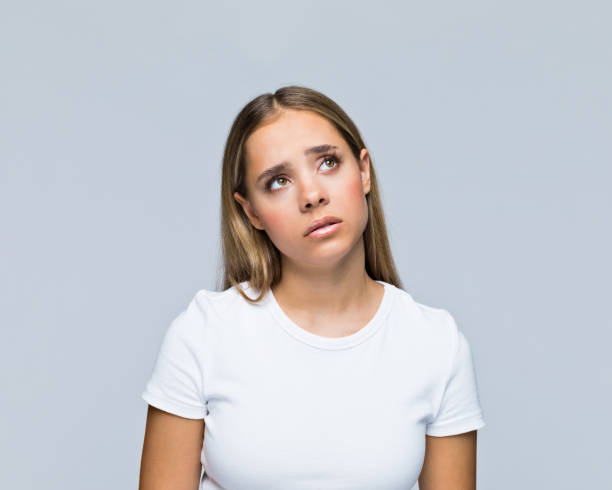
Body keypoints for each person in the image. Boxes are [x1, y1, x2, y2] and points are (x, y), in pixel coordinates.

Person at [139, 85, 486, 490]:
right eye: (278, 181)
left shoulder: (436, 344)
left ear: (364, 171)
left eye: (327, 162)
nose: (312, 195)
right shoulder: (203, 334)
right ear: (251, 211)